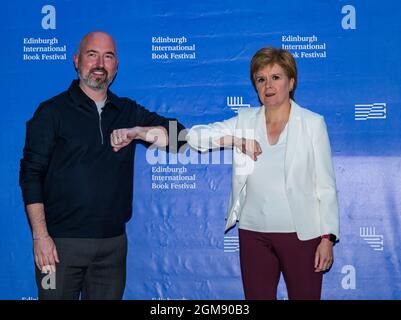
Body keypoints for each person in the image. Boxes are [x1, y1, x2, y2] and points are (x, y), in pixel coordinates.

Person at [19, 31, 185, 300]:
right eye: (92, 54)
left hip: (112, 248)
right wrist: (40, 237)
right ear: (77, 60)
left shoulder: (127, 111)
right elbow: (30, 175)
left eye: (108, 56)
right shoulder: (51, 112)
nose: (100, 63)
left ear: (116, 66)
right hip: (58, 247)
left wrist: (138, 132)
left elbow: (181, 138)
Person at [185, 47, 340, 300]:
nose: (268, 85)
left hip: (302, 235)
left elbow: (325, 185)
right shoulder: (245, 121)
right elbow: (193, 137)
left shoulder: (312, 124)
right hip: (253, 232)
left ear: (291, 82)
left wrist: (327, 239)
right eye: (261, 79)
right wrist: (235, 139)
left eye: (276, 77)